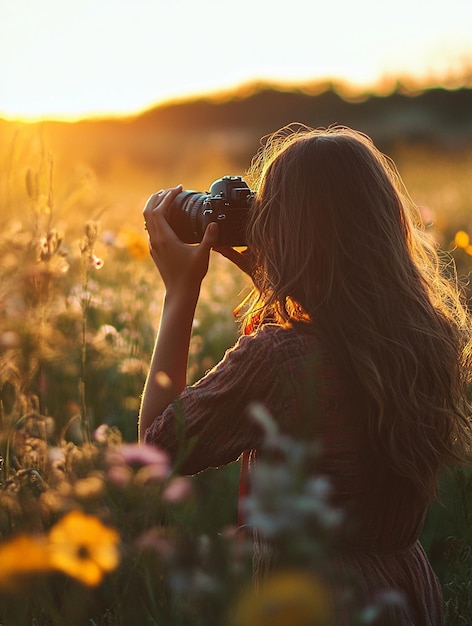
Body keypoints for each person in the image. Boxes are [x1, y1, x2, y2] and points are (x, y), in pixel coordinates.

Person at [139, 124, 472, 624]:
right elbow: (338, 330)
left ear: (277, 229)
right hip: (404, 590)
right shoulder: (424, 337)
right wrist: (280, 280)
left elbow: (155, 450)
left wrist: (180, 293)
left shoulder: (278, 358)